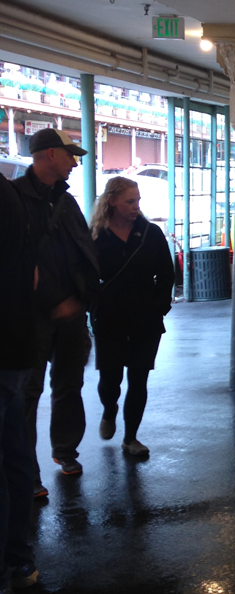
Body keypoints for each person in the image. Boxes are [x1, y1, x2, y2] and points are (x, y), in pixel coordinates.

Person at [13, 128, 99, 496]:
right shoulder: (14, 199)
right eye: (69, 155)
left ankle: (65, 451)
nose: (75, 163)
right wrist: (55, 301)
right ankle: (25, 470)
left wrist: (83, 300)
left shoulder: (67, 202)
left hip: (72, 313)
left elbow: (84, 252)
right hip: (31, 316)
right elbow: (18, 261)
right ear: (49, 154)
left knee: (69, 384)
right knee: (26, 393)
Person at [89, 177, 175, 457]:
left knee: (139, 380)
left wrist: (159, 306)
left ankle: (131, 438)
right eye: (130, 201)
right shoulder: (96, 236)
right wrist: (93, 306)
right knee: (110, 379)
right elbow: (86, 275)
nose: (136, 207)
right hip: (110, 317)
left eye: (138, 201)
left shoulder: (150, 233)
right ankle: (109, 409)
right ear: (111, 201)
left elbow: (166, 272)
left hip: (145, 318)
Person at [0, 173, 39, 591]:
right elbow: (32, 276)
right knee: (14, 457)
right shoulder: (10, 193)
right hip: (16, 345)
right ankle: (18, 558)